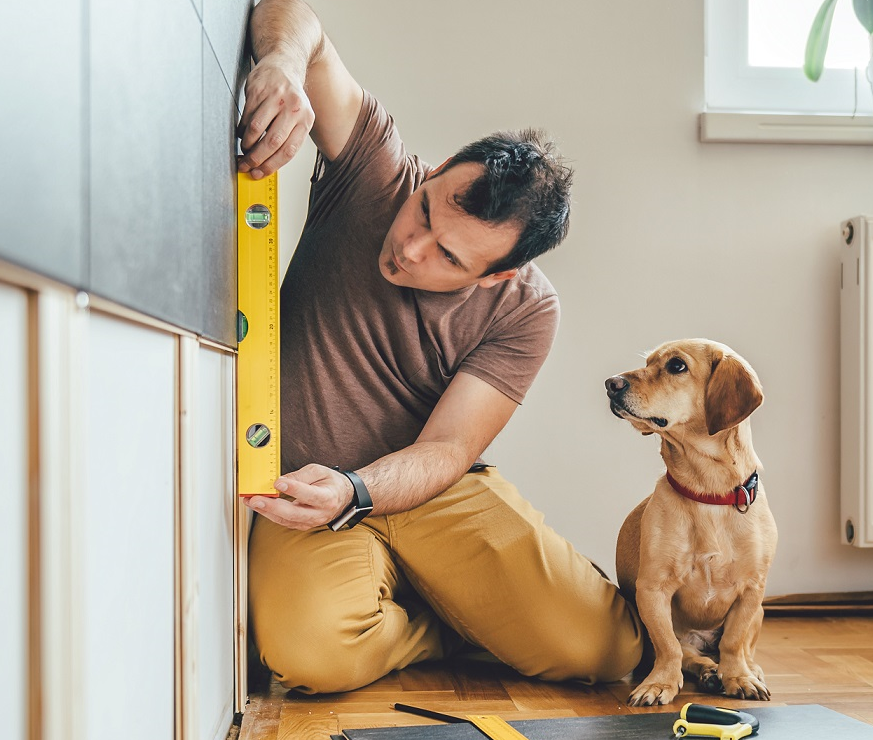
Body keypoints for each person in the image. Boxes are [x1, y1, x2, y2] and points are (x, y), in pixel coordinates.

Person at [236, 0, 643, 694]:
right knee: (311, 658)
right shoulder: (376, 170)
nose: (409, 248)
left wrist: (360, 489)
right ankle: (446, 623)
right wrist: (281, 62)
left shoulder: (527, 309)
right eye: (427, 209)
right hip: (303, 488)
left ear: (499, 273)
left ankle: (460, 606)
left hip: (424, 487)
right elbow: (292, 12)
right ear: (444, 167)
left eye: (448, 257)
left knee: (606, 651)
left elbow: (449, 449)